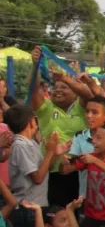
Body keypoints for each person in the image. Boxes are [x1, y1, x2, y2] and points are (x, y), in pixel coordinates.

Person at [28, 47, 90, 207]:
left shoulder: (81, 107)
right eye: (55, 87)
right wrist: (34, 65)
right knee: (56, 216)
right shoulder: (47, 108)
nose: (58, 91)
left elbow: (88, 95)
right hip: (53, 172)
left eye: (64, 87)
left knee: (77, 218)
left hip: (80, 171)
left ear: (74, 92)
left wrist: (73, 80)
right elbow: (33, 91)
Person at [6, 104, 70, 227]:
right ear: (31, 122)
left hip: (38, 203)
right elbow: (37, 178)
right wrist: (50, 152)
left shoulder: (31, 143)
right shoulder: (20, 145)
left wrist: (55, 153)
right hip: (26, 207)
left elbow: (46, 169)